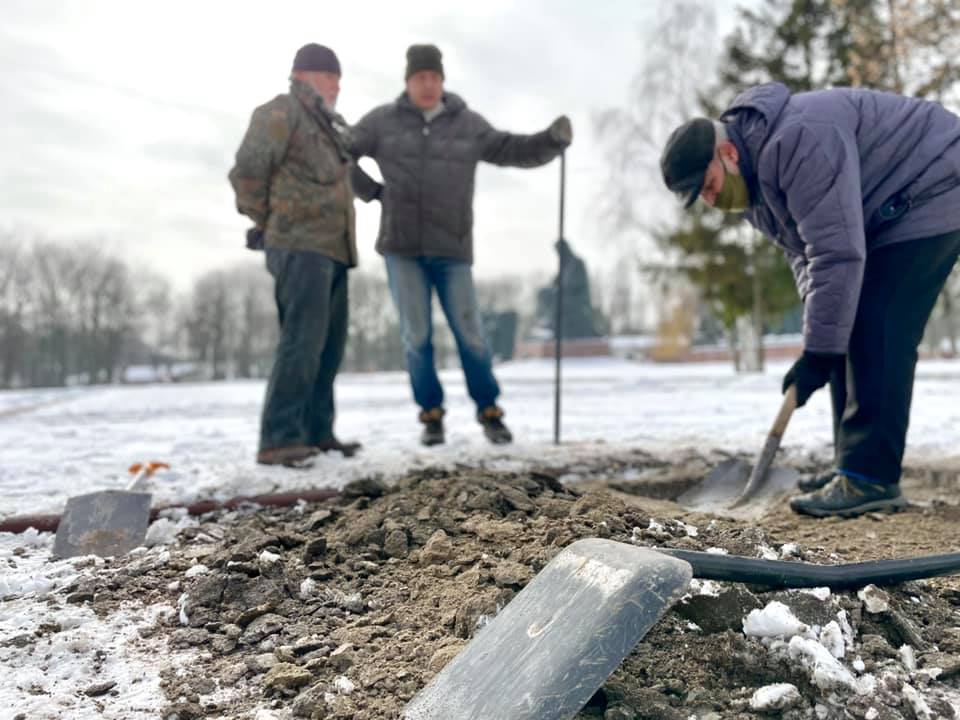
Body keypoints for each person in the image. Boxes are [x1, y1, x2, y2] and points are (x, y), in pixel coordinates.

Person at [661, 82, 960, 518]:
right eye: (700, 198)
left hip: (934, 183)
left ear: (728, 155)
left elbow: (836, 253)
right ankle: (851, 465)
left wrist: (819, 351)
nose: (709, 200)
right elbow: (805, 257)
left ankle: (869, 476)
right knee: (844, 319)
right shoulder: (752, 192)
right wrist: (820, 341)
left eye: (707, 186)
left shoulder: (797, 140)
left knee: (878, 324)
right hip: (887, 208)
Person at [350, 44, 573, 446]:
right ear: (407, 82)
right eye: (420, 78)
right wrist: (371, 192)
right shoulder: (382, 122)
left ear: (442, 80)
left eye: (434, 77)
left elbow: (510, 148)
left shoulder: (466, 124)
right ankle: (431, 416)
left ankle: (489, 411)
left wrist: (550, 141)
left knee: (472, 335)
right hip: (401, 248)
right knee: (415, 336)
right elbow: (338, 153)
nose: (428, 84)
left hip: (452, 250)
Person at [229, 43, 361, 467]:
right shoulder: (281, 112)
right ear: (310, 74)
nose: (338, 87)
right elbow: (247, 172)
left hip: (333, 249)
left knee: (328, 345)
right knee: (301, 341)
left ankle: (317, 432)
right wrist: (271, 223)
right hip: (299, 245)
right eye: (333, 77)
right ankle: (280, 438)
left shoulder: (326, 126)